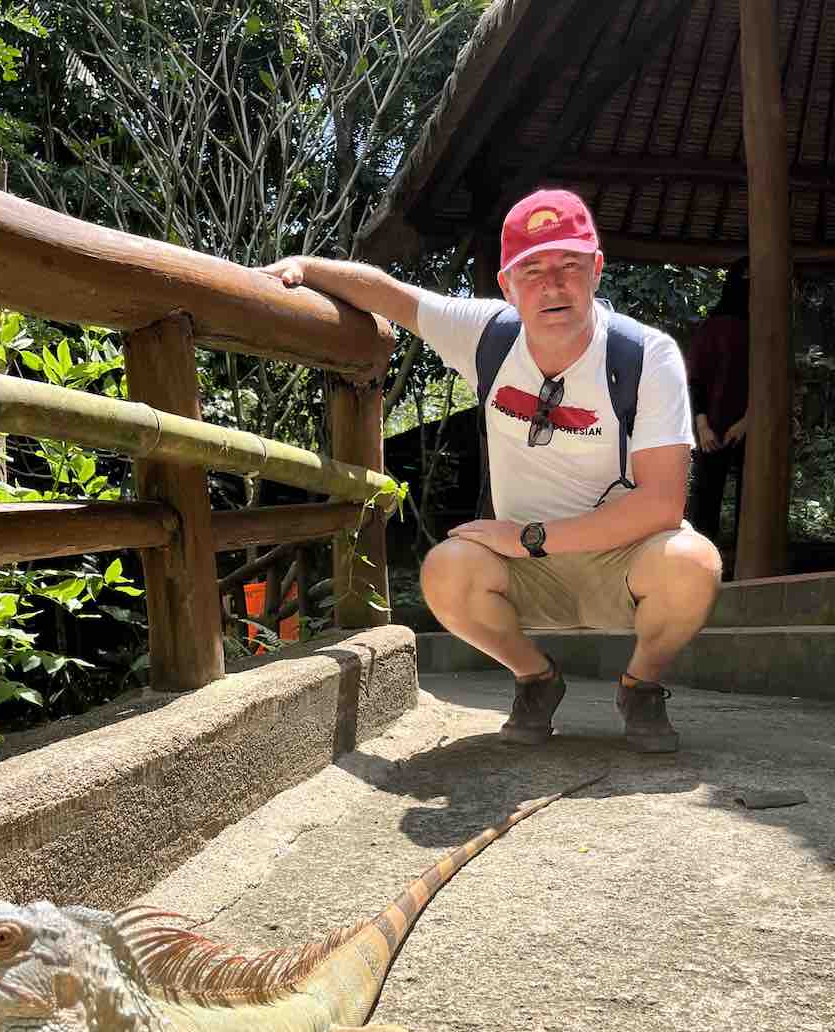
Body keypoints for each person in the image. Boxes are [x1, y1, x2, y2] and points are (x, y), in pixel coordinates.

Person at [261, 189, 721, 752]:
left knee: (693, 564)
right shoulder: (488, 335)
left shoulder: (645, 356)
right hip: (527, 573)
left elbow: (661, 504)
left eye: (569, 265)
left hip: (621, 560)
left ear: (596, 271)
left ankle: (640, 685)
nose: (553, 285)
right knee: (445, 571)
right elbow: (393, 297)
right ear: (507, 285)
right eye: (532, 270)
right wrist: (305, 268)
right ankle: (536, 679)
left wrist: (528, 537)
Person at [686, 258, 750, 547]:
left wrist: (750, 420)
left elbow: (771, 379)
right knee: (706, 498)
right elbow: (696, 378)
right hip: (713, 426)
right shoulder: (714, 328)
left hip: (750, 428)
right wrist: (703, 427)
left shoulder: (768, 328)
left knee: (748, 500)